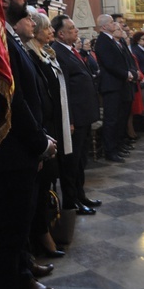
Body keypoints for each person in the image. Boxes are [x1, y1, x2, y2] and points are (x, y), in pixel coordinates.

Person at [0, 0, 57, 289]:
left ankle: (23, 271)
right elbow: (13, 100)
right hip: (12, 151)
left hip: (23, 149)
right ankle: (11, 284)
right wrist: (39, 142)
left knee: (20, 220)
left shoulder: (8, 36)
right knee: (9, 227)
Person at [25, 8, 71, 257]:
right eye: (45, 27)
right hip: (42, 130)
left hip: (51, 128)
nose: (50, 30)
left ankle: (47, 230)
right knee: (40, 189)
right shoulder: (31, 56)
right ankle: (41, 236)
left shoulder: (45, 55)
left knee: (48, 185)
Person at [51, 14, 100, 219]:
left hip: (83, 115)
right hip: (75, 118)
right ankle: (72, 202)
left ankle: (81, 195)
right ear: (61, 34)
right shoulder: (58, 53)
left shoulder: (70, 50)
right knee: (71, 163)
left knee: (81, 160)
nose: (76, 31)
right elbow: (64, 90)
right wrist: (69, 119)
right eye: (71, 29)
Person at [95, 15, 136, 163]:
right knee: (111, 119)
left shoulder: (111, 40)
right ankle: (110, 151)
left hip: (120, 84)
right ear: (104, 26)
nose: (115, 24)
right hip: (111, 86)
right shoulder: (102, 41)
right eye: (112, 22)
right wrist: (126, 74)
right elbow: (110, 63)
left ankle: (117, 145)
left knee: (120, 117)